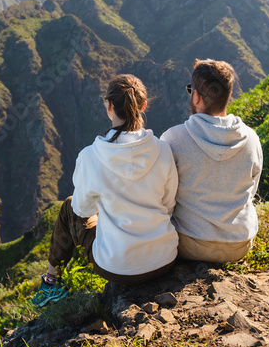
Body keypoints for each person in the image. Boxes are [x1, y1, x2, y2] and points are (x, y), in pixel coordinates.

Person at [32, 74, 179, 306]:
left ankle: (51, 283)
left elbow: (82, 210)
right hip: (165, 259)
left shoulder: (90, 156)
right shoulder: (163, 150)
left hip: (116, 267)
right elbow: (169, 203)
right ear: (143, 106)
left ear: (108, 106)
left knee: (69, 205)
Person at [161, 59, 263, 263]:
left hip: (191, 245)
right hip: (240, 245)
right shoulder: (251, 139)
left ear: (196, 96)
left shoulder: (173, 139)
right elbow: (251, 192)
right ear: (229, 95)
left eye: (191, 91)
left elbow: (164, 199)